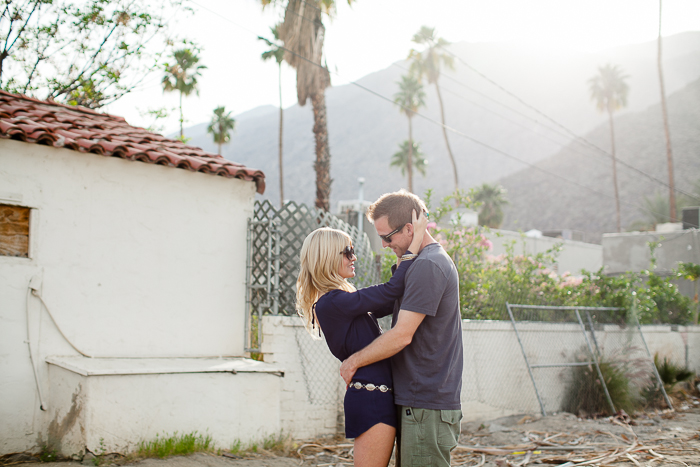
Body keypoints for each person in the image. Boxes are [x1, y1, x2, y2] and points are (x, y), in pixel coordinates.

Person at [339, 190, 464, 467]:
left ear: (410, 228)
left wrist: (353, 362)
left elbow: (401, 335)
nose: (383, 244)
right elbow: (387, 299)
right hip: (419, 402)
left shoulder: (429, 265)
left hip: (425, 403)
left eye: (387, 237)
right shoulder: (420, 263)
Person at [296, 210, 428, 467]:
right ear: (326, 258)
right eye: (347, 252)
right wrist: (414, 240)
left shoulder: (341, 302)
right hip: (371, 399)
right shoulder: (333, 303)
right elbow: (391, 290)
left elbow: (390, 300)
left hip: (376, 397)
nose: (353, 257)